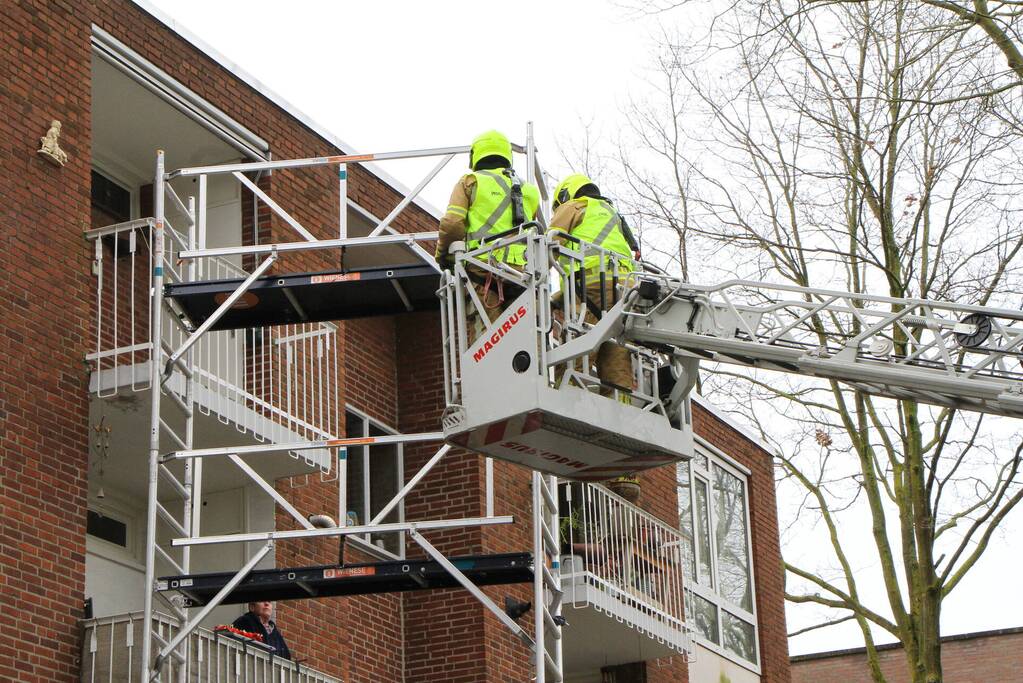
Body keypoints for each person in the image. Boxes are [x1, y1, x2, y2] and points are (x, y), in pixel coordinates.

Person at [435, 130, 541, 341]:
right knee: (527, 339)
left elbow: (453, 223)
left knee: (488, 342)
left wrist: (443, 255)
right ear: (507, 155)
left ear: (475, 155)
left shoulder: (470, 181)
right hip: (522, 274)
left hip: (482, 269)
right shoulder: (529, 191)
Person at [549, 173, 640, 398]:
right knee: (616, 354)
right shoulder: (613, 215)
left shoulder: (574, 206)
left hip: (589, 288)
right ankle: (621, 406)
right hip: (624, 292)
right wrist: (559, 297)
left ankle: (566, 398)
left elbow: (549, 243)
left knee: (578, 349)